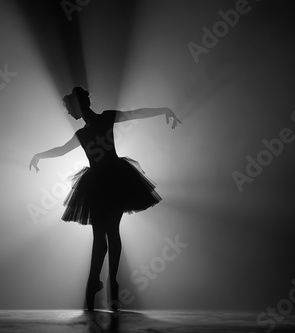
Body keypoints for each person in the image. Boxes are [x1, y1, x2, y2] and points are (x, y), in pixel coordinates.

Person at [29, 87, 181, 311]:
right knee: (105, 234)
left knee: (106, 234)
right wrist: (39, 155)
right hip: (106, 182)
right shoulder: (86, 130)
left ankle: (101, 283)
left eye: (70, 108)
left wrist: (163, 110)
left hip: (112, 181)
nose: (69, 113)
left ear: (79, 105)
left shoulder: (101, 121)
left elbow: (135, 113)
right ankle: (101, 283)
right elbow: (62, 150)